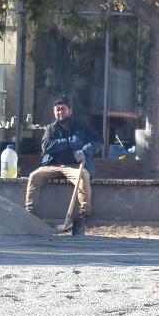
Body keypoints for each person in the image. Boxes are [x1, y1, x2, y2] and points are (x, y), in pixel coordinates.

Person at [25, 96, 100, 235]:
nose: (60, 112)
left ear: (70, 111)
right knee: (34, 176)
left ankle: (83, 215)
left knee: (83, 176)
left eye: (63, 109)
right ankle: (29, 214)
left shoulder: (81, 126)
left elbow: (98, 142)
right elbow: (46, 146)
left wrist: (85, 150)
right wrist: (69, 142)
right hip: (53, 164)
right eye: (57, 110)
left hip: (75, 165)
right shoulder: (51, 129)